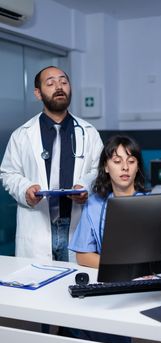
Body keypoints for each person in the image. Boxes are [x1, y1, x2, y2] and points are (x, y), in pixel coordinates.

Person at [0, 66, 103, 262]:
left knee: (76, 285)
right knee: (39, 287)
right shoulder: (22, 135)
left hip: (77, 225)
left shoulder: (89, 133)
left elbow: (99, 171)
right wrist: (25, 189)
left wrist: (86, 186)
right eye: (51, 83)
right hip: (37, 228)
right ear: (38, 93)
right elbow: (8, 173)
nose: (59, 87)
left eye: (63, 82)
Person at [69, 134, 146, 268]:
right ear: (106, 167)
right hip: (109, 277)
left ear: (137, 167)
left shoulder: (150, 204)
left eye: (131, 161)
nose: (125, 167)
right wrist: (121, 268)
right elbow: (82, 255)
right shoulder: (94, 205)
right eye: (117, 161)